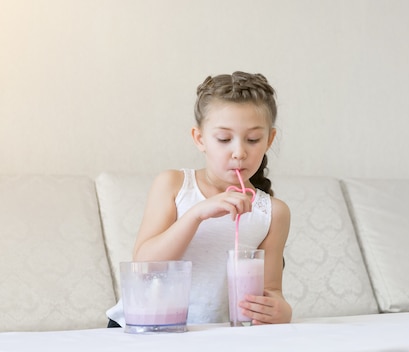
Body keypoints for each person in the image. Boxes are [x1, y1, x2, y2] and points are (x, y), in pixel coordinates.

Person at [107, 71, 292, 327]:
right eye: (224, 139)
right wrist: (197, 214)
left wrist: (280, 310)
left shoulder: (273, 213)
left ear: (269, 140)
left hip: (212, 335)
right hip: (143, 327)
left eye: (253, 140)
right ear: (199, 139)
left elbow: (271, 292)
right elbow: (144, 265)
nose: (239, 152)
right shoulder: (174, 185)